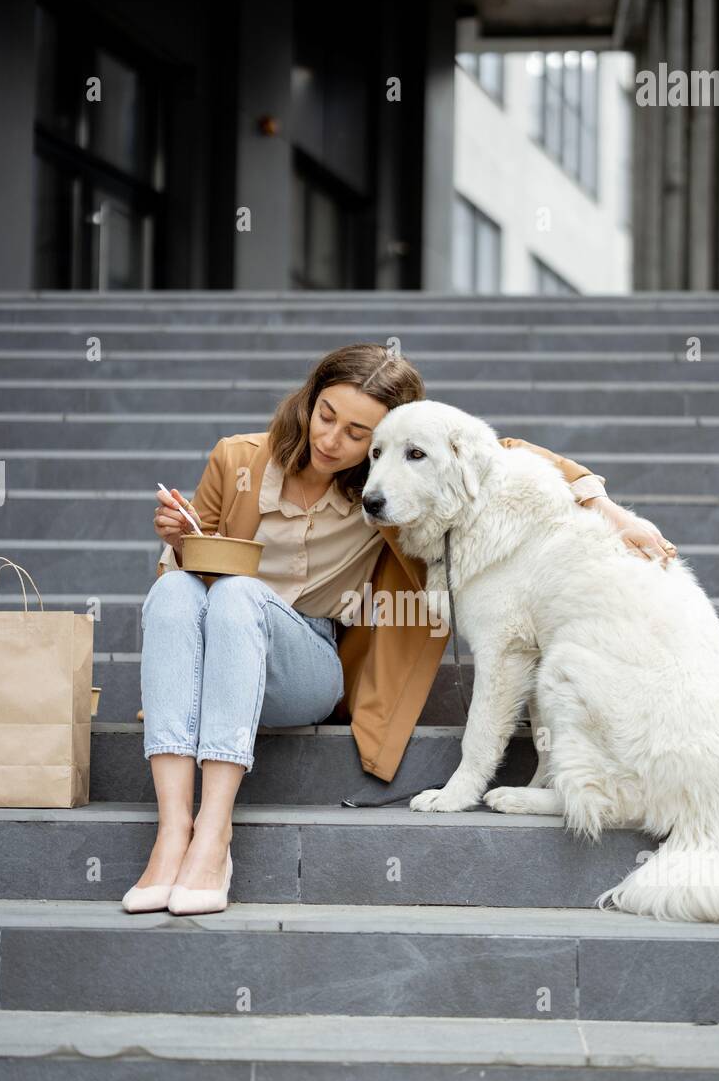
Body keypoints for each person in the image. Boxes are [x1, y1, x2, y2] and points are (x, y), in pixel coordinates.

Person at [123, 342, 676, 914]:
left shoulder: (387, 487)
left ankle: (214, 836)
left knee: (240, 594)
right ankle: (171, 836)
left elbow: (499, 450)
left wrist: (611, 509)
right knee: (173, 588)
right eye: (326, 415)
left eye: (357, 433)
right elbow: (193, 571)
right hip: (219, 655)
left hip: (305, 666)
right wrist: (180, 542)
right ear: (309, 402)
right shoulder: (236, 460)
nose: (332, 440)